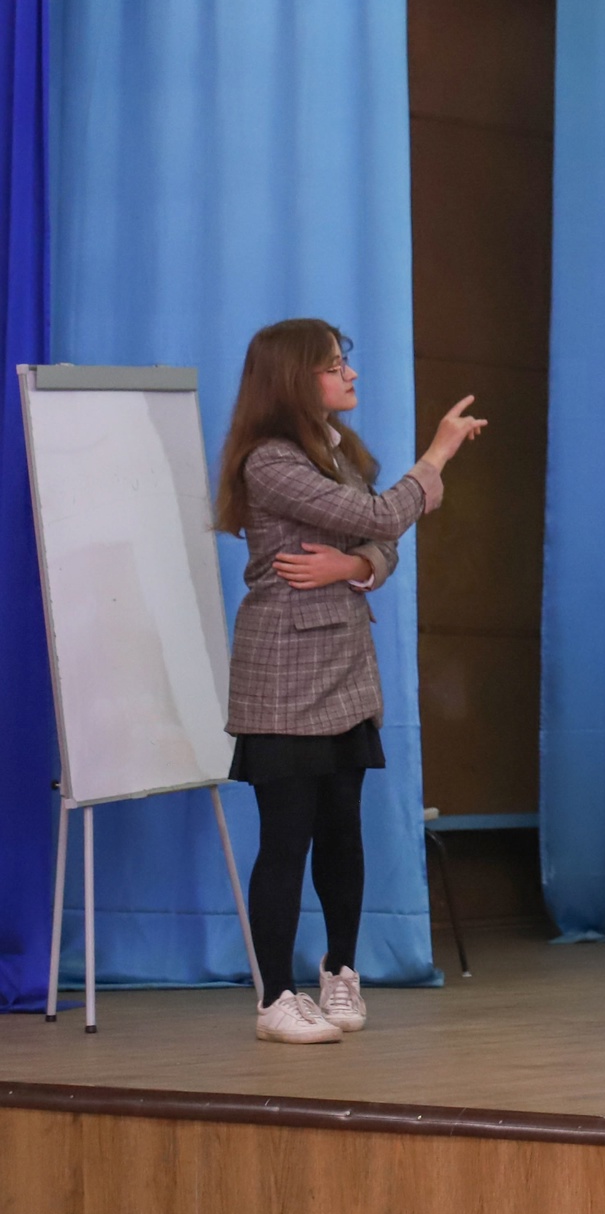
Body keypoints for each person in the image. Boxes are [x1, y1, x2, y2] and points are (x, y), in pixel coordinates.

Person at [215, 320, 485, 1045]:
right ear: (294, 377)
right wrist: (435, 456)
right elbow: (380, 514)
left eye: (346, 362)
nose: (350, 374)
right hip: (283, 673)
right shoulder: (270, 460)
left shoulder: (339, 450)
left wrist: (355, 565)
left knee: (343, 829)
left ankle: (341, 970)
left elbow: (380, 539)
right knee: (287, 838)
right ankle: (276, 997)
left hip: (347, 667)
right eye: (335, 364)